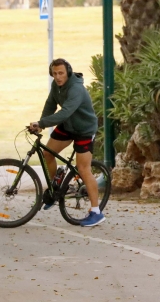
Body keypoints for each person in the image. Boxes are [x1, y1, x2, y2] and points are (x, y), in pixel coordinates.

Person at [29, 58, 105, 227]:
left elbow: (65, 112)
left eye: (61, 73)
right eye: (54, 74)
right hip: (68, 126)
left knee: (83, 169)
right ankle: (55, 185)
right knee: (47, 152)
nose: (57, 77)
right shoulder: (56, 86)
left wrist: (42, 124)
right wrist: (41, 124)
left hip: (84, 130)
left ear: (68, 72)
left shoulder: (76, 89)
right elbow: (50, 106)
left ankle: (96, 212)